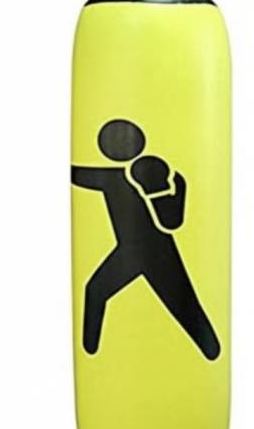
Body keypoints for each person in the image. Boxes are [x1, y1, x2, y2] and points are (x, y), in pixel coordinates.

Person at [71, 119, 220, 360]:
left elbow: (173, 220)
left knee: (186, 306)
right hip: (131, 252)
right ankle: (91, 352)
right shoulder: (114, 178)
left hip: (157, 254)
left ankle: (212, 355)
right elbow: (77, 175)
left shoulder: (146, 178)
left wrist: (164, 190)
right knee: (95, 290)